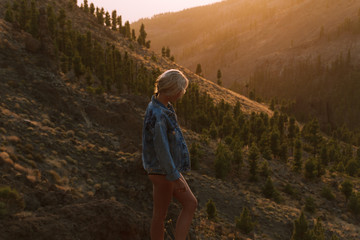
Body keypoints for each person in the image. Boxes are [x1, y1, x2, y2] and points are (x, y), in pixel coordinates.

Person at [142, 69, 198, 240]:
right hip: (163, 171)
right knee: (167, 212)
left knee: (165, 213)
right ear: (173, 89)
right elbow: (162, 149)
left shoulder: (160, 107)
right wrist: (176, 177)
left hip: (163, 170)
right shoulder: (159, 114)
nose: (182, 94)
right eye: (181, 90)